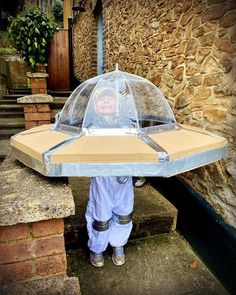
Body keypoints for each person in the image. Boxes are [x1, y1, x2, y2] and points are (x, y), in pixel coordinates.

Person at [85, 87, 134, 267]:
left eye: (110, 99)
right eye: (101, 99)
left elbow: (135, 148)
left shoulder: (126, 124)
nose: (106, 102)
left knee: (123, 211)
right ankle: (97, 247)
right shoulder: (90, 126)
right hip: (101, 177)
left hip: (123, 177)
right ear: (96, 106)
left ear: (117, 104)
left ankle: (118, 243)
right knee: (100, 212)